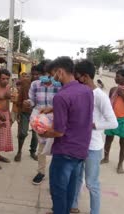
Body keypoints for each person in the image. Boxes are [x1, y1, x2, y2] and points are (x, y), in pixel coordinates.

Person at [40, 57, 93, 214]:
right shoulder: (87, 91)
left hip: (65, 151)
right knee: (70, 189)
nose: (52, 79)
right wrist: (54, 109)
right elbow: (77, 112)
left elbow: (58, 131)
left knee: (58, 191)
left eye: (52, 75)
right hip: (81, 149)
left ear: (60, 72)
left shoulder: (61, 96)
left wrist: (42, 131)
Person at [71, 60, 118, 214]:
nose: (74, 81)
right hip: (78, 144)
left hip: (93, 147)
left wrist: (92, 125)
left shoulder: (100, 96)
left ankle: (94, 211)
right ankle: (73, 206)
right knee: (77, 179)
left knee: (92, 183)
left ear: (84, 77)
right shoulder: (80, 93)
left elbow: (113, 123)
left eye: (76, 77)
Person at [23, 60, 61, 185]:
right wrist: (28, 103)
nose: (46, 76)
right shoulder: (35, 84)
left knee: (57, 147)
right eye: (44, 73)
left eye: (49, 73)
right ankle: (41, 172)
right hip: (40, 120)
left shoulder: (59, 85)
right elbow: (32, 100)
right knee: (41, 147)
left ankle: (56, 173)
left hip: (56, 120)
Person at [15, 66, 40, 162]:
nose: (35, 76)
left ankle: (32, 151)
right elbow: (20, 97)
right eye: (33, 74)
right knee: (22, 132)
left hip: (37, 113)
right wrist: (18, 111)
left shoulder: (43, 85)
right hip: (25, 112)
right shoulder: (25, 83)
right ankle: (19, 151)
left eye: (37, 74)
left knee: (35, 135)